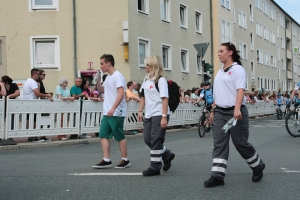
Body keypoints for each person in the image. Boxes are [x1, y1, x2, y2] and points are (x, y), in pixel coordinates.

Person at [204, 42, 265, 187]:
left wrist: (237, 109)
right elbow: (218, 93)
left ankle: (257, 166)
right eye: (218, 51)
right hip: (220, 112)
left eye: (221, 51)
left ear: (230, 52)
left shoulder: (238, 69)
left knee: (240, 143)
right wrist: (213, 110)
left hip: (235, 113)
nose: (218, 53)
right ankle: (217, 176)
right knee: (219, 143)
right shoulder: (220, 71)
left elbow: (240, 90)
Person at [137, 55, 175, 176]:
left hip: (159, 113)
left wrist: (164, 116)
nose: (145, 67)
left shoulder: (161, 80)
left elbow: (165, 99)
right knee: (148, 139)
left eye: (147, 64)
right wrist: (140, 111)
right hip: (149, 113)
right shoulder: (146, 79)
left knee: (156, 139)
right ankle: (166, 155)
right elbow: (142, 96)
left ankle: (155, 167)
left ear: (153, 65)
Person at [93, 54, 130, 169]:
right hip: (107, 111)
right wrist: (98, 79)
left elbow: (121, 93)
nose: (101, 66)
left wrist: (113, 108)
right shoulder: (108, 77)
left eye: (102, 64)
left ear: (108, 63)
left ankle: (125, 159)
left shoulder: (117, 76)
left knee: (119, 135)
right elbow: (101, 89)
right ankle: (106, 159)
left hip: (116, 111)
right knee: (103, 134)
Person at [23, 69, 53, 142]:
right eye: (39, 74)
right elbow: (38, 94)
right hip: (32, 103)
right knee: (33, 120)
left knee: (32, 119)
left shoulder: (28, 80)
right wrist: (47, 95)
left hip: (29, 102)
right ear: (35, 74)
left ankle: (33, 136)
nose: (39, 76)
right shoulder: (33, 82)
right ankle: (33, 136)